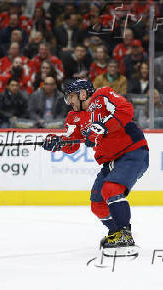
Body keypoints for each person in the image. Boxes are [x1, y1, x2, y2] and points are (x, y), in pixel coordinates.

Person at [42, 79, 149, 257]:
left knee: (111, 188)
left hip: (133, 152)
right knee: (97, 204)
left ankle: (125, 234)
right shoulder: (73, 117)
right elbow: (72, 143)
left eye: (72, 97)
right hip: (111, 161)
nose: (70, 102)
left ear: (83, 94)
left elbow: (126, 110)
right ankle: (116, 232)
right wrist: (58, 143)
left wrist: (102, 127)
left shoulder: (103, 96)